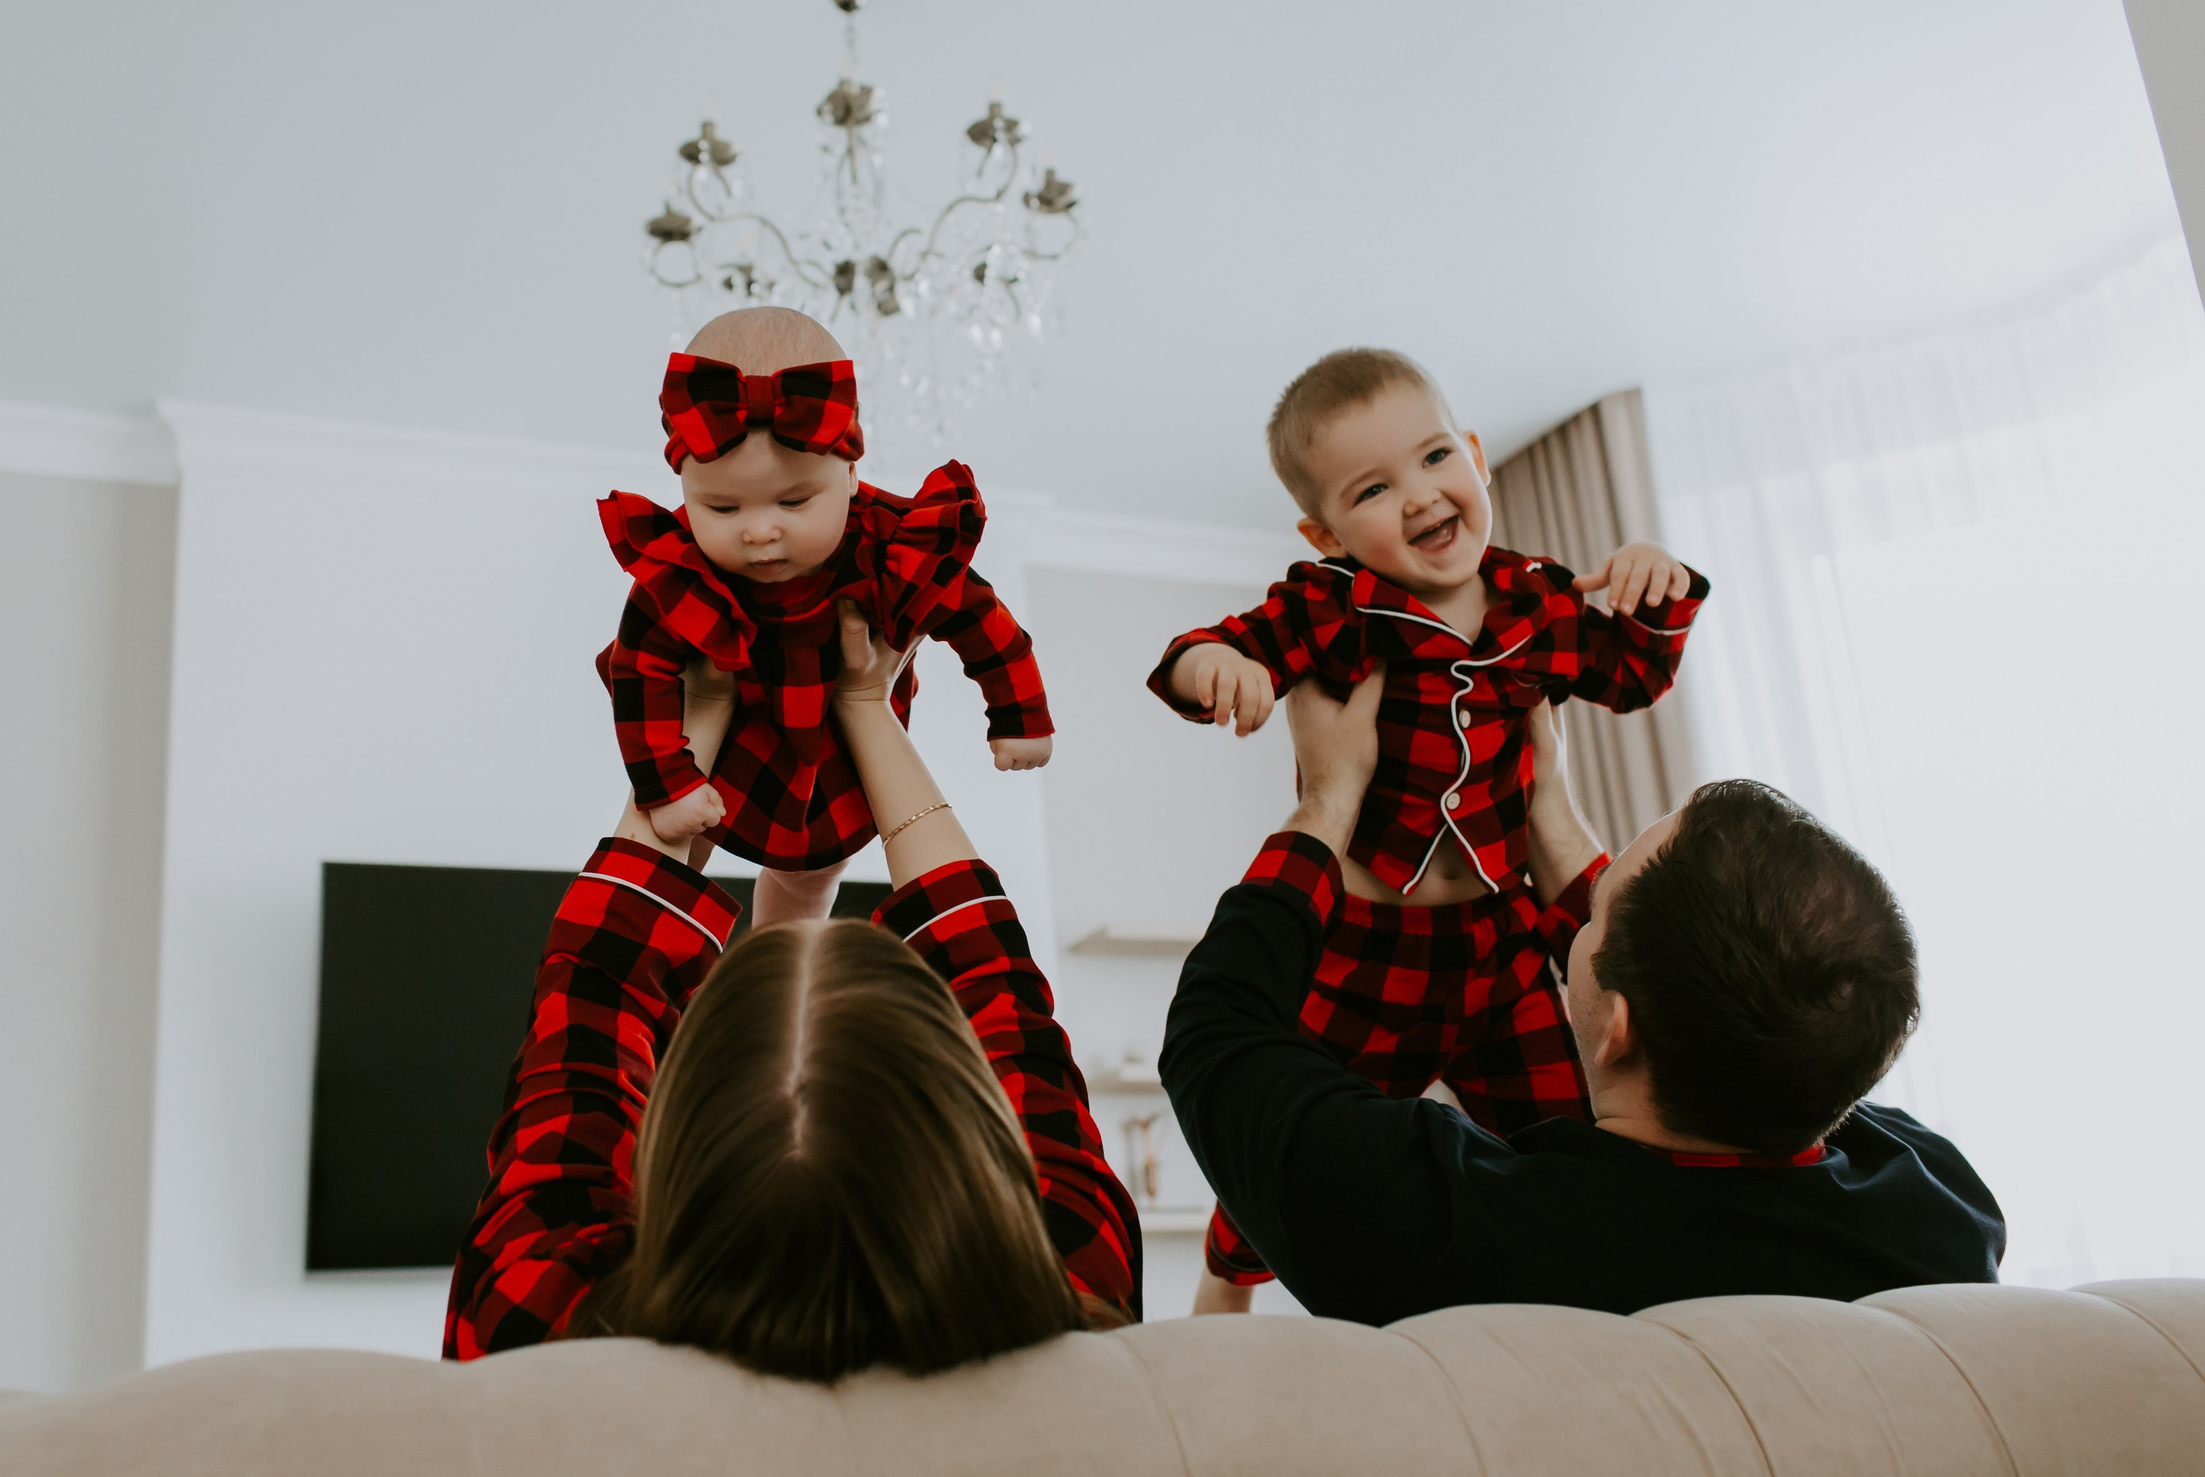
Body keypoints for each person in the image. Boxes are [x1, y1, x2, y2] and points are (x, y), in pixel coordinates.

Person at [1160, 670, 2003, 1326]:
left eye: (1595, 914)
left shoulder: (1463, 1233)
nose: (1577, 911)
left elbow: (1216, 1033)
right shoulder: (1938, 1209)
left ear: (1621, 1027)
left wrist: (1328, 799)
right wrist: (1555, 822)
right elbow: (1773, 1023)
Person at [445, 601, 1137, 1378]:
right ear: (968, 1123)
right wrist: (868, 707)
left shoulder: (540, 1330)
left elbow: (588, 1004)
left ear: (668, 1131)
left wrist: (696, 719)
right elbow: (1004, 999)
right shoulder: (1074, 1318)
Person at [1146, 347, 1709, 1300]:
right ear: (1323, 530)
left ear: (1478, 456)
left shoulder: (1540, 597)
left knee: (1567, 1131)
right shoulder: (1333, 606)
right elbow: (1217, 647)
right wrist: (1214, 671)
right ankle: (1228, 1277)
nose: (1419, 496)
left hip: (1499, 935)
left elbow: (1634, 675)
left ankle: (1583, 1296)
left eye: (1436, 457)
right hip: (1367, 944)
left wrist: (1659, 590)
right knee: (1291, 1132)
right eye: (1374, 487)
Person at [597, 305, 1052, 927]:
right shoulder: (680, 568)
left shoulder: (890, 543)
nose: (760, 531)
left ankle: (783, 971)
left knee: (808, 885)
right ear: (684, 490)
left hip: (835, 759)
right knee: (670, 859)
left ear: (852, 474)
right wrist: (667, 783)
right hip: (727, 751)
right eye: (722, 508)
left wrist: (1018, 711)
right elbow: (638, 674)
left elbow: (978, 617)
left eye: (794, 500)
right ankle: (682, 995)